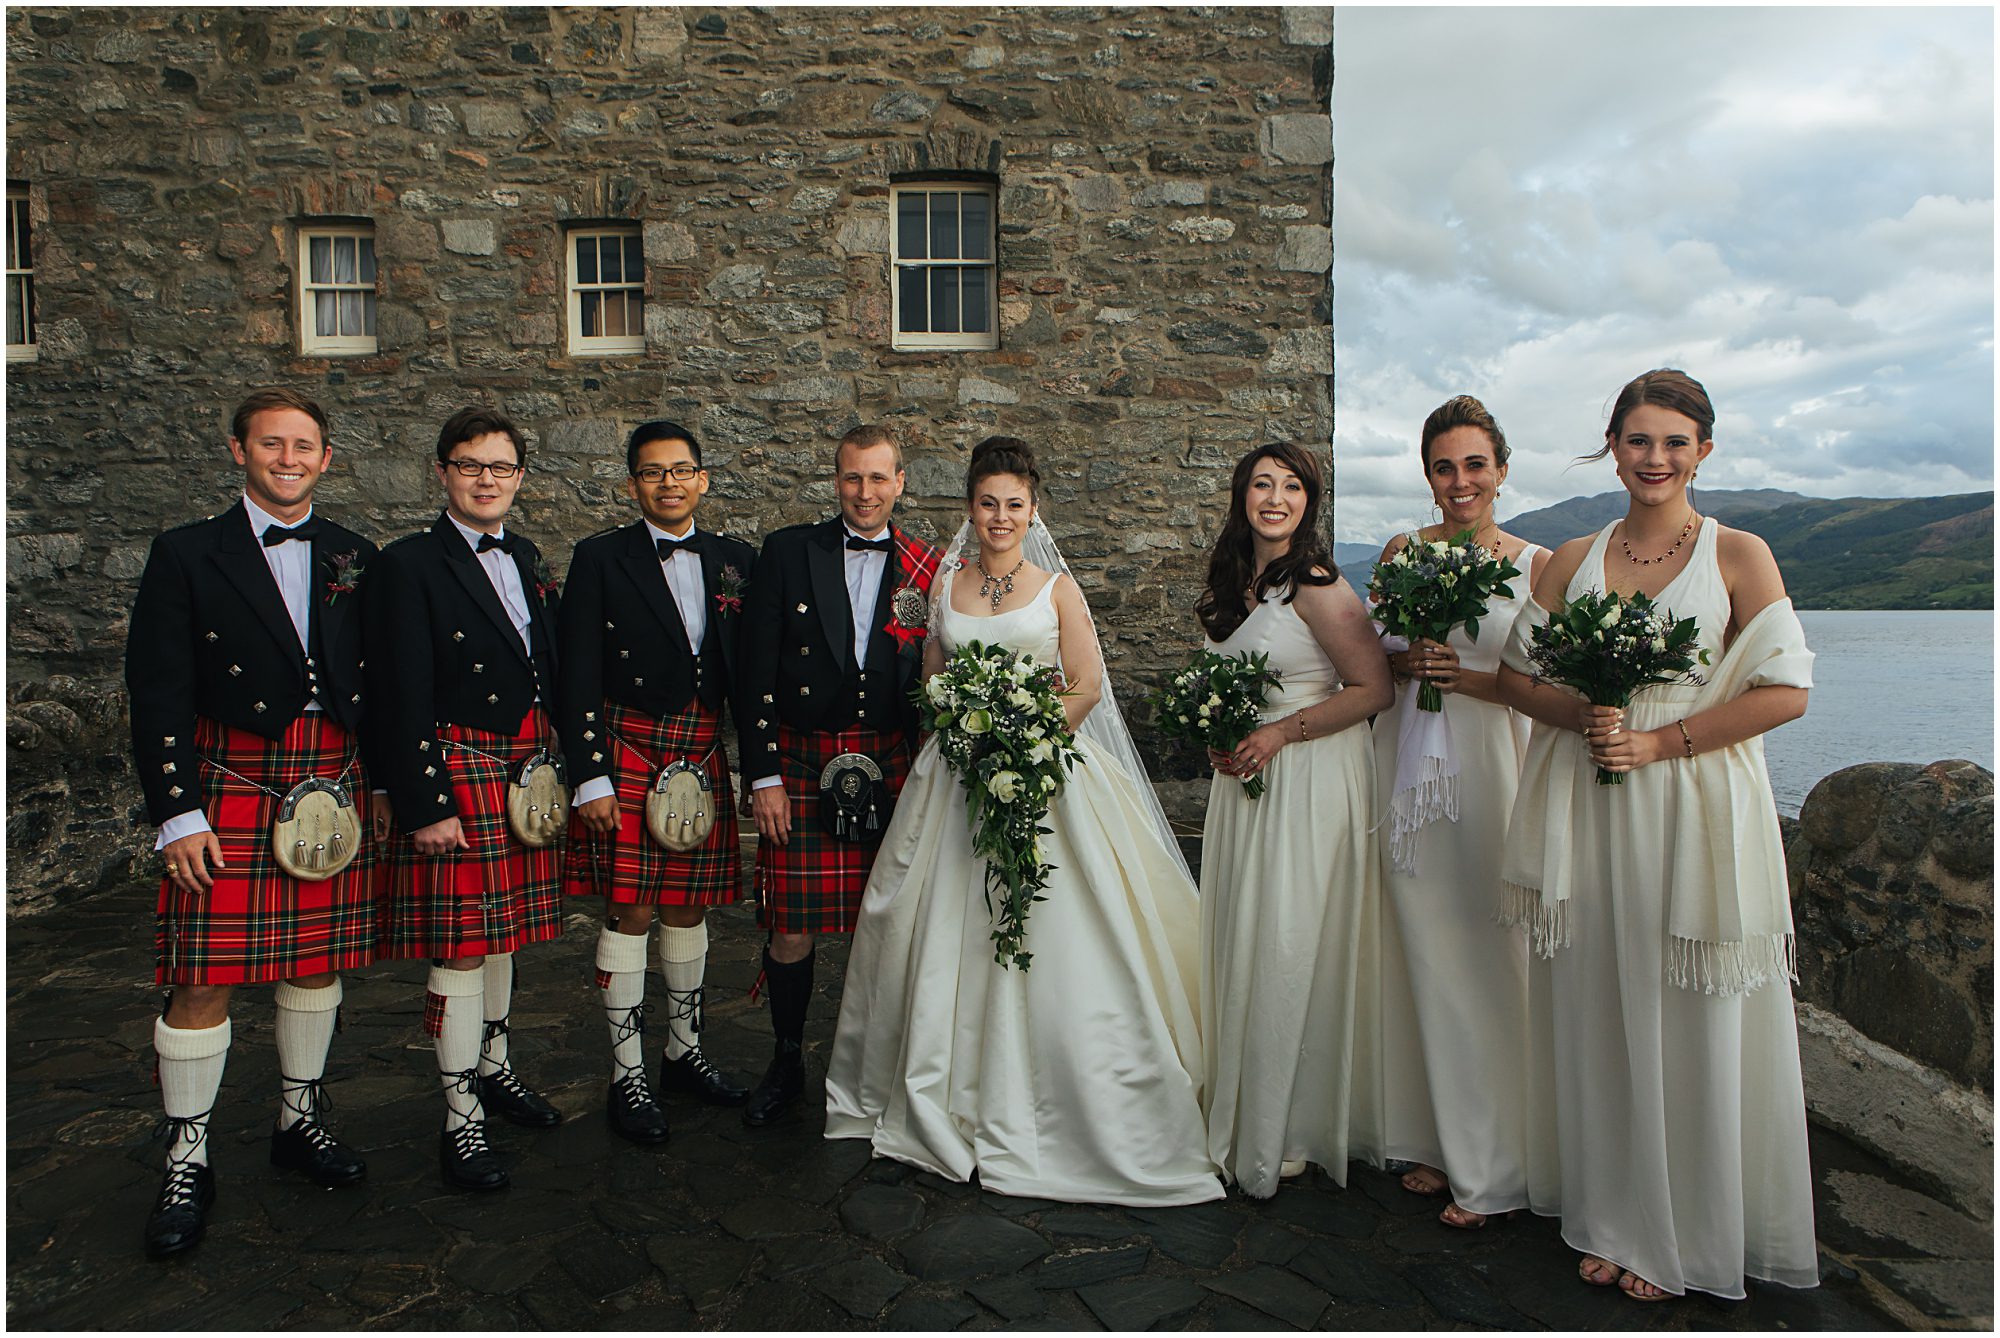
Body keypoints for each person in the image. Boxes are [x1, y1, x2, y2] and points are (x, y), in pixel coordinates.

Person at [825, 437, 1223, 1206]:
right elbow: (936, 674)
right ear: (968, 509)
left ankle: (1068, 1096)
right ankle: (944, 1090)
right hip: (956, 778)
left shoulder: (1056, 591)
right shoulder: (947, 583)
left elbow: (1086, 684)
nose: (1000, 517)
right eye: (986, 503)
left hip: (1046, 774)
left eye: (1014, 504)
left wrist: (1031, 739)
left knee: (1062, 930)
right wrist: (963, 726)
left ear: (1032, 510)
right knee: (940, 926)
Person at [1496, 369, 1817, 1301]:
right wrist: (1587, 715)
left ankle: (1686, 1228)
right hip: (1590, 804)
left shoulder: (1738, 554)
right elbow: (1520, 680)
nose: (1655, 458)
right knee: (1602, 1003)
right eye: (1638, 440)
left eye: (1675, 442)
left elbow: (1786, 693)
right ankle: (1612, 1211)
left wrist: (1657, 740)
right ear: (1613, 446)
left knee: (1686, 1009)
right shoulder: (1569, 559)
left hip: (1694, 805)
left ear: (1703, 452)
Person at [126, 388, 379, 1257]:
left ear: (326, 459)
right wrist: (177, 812)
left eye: (303, 445)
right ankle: (187, 1156)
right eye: (271, 444)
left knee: (314, 966)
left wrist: (381, 787)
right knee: (203, 979)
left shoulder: (354, 553)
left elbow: (376, 684)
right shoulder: (187, 553)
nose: (287, 458)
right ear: (239, 451)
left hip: (330, 783)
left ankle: (298, 1120)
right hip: (231, 782)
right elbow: (156, 691)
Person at [1370, 396, 1560, 1229]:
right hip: (1408, 769)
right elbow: (1373, 653)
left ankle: (1500, 1162)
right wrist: (1408, 659)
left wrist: (1465, 677)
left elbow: (1549, 687)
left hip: (1491, 769)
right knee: (1422, 953)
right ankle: (1438, 1137)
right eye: (1444, 467)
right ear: (1427, 474)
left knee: (1493, 956)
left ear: (1502, 469)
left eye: (1475, 464)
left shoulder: (1538, 564)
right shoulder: (1402, 552)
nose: (1460, 482)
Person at [366, 406, 566, 1193]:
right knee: (460, 946)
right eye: (471, 464)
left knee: (502, 936)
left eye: (502, 466)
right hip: (459, 770)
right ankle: (460, 1117)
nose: (488, 479)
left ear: (519, 476)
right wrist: (425, 800)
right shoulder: (408, 563)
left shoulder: (525, 554)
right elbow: (397, 689)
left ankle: (494, 1067)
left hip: (520, 770)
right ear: (442, 472)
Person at [1192, 442, 1397, 1198]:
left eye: (1290, 487)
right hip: (1247, 782)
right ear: (1241, 494)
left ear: (1310, 502)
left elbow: (1373, 688)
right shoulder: (1232, 581)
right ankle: (1248, 1099)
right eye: (1260, 484)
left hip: (1309, 778)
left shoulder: (1316, 583)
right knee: (1248, 934)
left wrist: (1281, 732)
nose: (1274, 498)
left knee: (1289, 941)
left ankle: (1295, 1121)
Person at [737, 424, 943, 1126]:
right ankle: (787, 1057)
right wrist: (761, 774)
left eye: (879, 478)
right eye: (853, 478)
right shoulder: (790, 552)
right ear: (836, 481)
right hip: (799, 755)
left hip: (891, 761)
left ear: (900, 482)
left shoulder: (925, 564)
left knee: (886, 921)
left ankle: (877, 1068)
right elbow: (753, 668)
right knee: (791, 925)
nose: (865, 492)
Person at [557, 420, 756, 1145]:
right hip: (630, 747)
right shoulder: (600, 558)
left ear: (703, 479)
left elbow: (753, 674)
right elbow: (574, 672)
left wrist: (756, 764)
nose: (668, 483)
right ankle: (626, 1074)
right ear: (631, 484)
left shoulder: (737, 560)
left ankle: (684, 1052)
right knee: (631, 911)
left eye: (681, 470)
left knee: (690, 909)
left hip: (699, 751)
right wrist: (589, 776)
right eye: (652, 472)